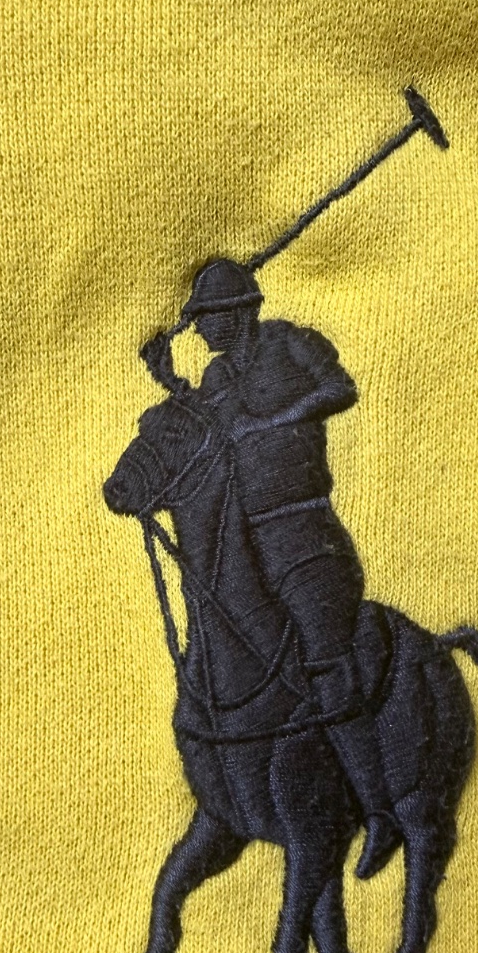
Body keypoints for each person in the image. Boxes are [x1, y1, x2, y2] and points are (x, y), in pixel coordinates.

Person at [149, 257, 403, 879]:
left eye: (207, 318)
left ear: (238, 313)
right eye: (197, 321)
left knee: (326, 662)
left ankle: (379, 809)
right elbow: (204, 430)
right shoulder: (215, 377)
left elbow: (340, 387)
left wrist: (277, 418)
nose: (201, 330)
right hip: (248, 545)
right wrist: (169, 381)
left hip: (305, 535)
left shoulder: (291, 344)